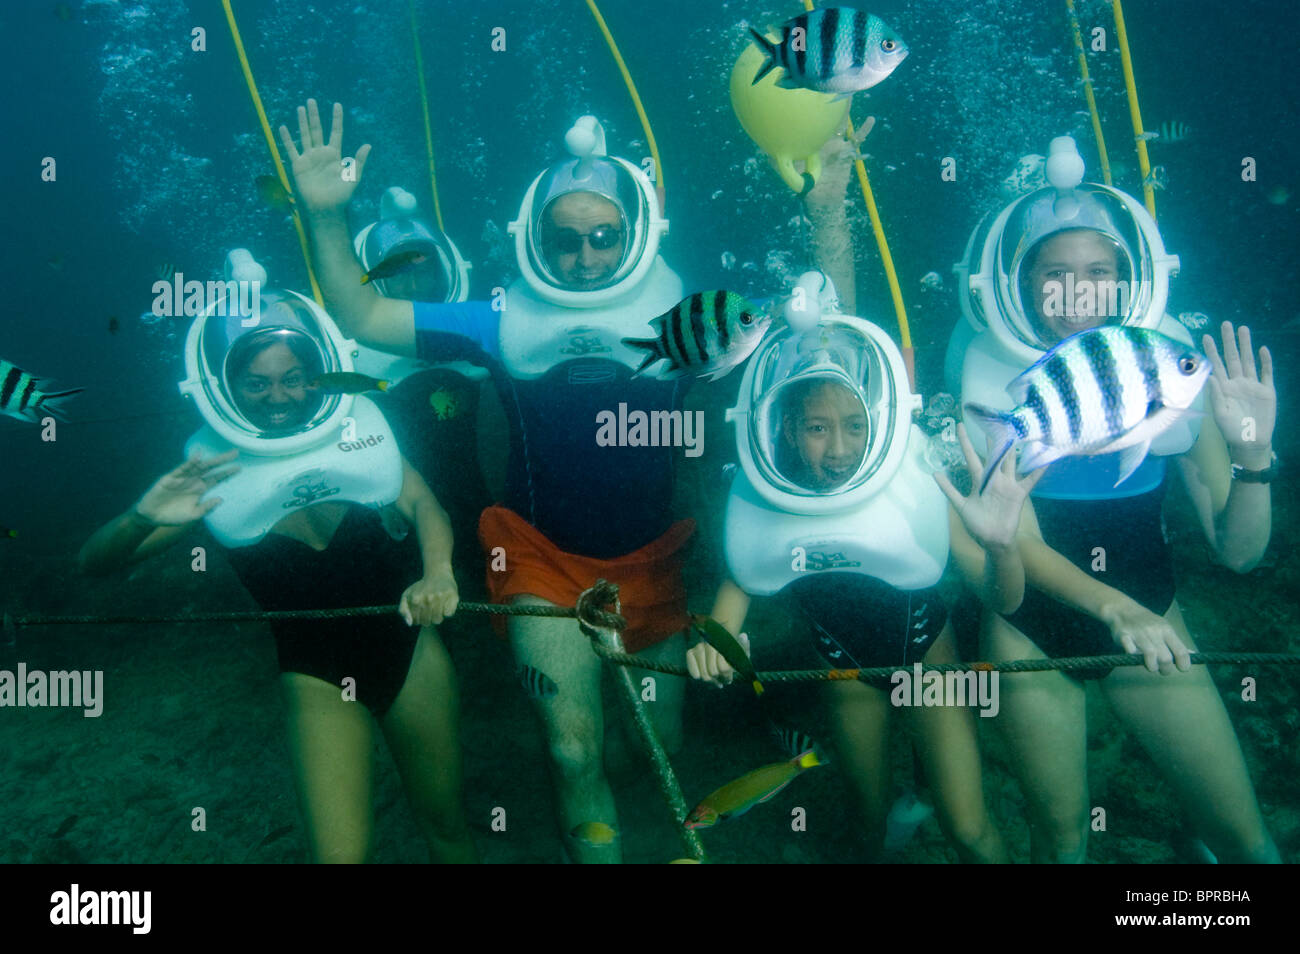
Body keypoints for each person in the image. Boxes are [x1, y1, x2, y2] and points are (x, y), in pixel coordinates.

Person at [279, 100, 697, 862]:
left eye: (604, 237)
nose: (585, 257)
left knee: (653, 746)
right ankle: (580, 806)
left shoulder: (688, 317)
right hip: (538, 558)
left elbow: (820, 333)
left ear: (635, 234)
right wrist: (328, 219)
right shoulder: (504, 320)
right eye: (562, 240)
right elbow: (363, 313)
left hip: (652, 562)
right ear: (534, 240)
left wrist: (830, 212)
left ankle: (585, 799)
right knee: (574, 749)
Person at [948, 136, 1280, 863]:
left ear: (1128, 281)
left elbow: (1240, 551)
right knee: (1062, 846)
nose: (1079, 292)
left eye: (1100, 272)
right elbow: (1020, 548)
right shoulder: (988, 377)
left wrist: (1254, 456)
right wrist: (1113, 607)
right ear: (1022, 281)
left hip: (1150, 620)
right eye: (1055, 273)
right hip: (1031, 629)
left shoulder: (1166, 364)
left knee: (1248, 843)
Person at [78, 257, 476, 863]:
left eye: (295, 378)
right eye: (256, 383)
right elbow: (92, 566)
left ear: (318, 369)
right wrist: (141, 515)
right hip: (314, 677)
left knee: (445, 823)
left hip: (410, 650)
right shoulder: (212, 475)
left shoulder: (359, 429)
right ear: (224, 383)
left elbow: (425, 507)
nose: (279, 398)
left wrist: (438, 571)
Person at [686, 293, 1041, 861]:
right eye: (817, 428)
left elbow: (1004, 598)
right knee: (865, 824)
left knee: (969, 828)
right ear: (786, 429)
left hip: (932, 662)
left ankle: (922, 803)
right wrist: (714, 650)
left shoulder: (914, 485)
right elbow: (728, 612)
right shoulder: (768, 499)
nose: (840, 448)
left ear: (878, 420)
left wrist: (1001, 547)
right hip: (844, 671)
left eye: (855, 425)